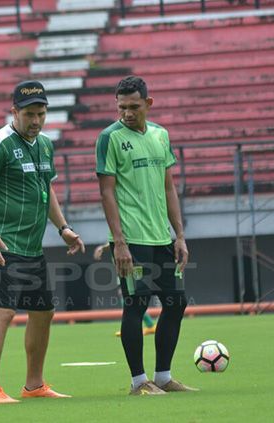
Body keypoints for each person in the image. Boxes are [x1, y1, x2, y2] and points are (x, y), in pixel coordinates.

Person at [0, 80, 85, 404]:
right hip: (3, 246)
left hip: (32, 248)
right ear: (14, 112)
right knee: (2, 314)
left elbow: (45, 190)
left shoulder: (46, 144)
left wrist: (63, 228)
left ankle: (34, 384)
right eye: (30, 114)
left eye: (41, 113)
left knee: (43, 312)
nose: (36, 121)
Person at [95, 75, 196, 395]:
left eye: (134, 107)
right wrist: (119, 243)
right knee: (136, 305)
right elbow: (106, 193)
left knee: (176, 302)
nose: (126, 113)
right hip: (131, 241)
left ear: (148, 104)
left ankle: (163, 377)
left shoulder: (161, 136)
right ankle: (139, 382)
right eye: (121, 107)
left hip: (162, 239)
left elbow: (169, 187)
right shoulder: (109, 138)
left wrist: (179, 235)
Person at [93, 242, 157, 337]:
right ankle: (146, 325)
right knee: (130, 300)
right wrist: (102, 247)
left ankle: (132, 328)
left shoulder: (124, 238)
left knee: (130, 300)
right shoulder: (116, 240)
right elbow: (114, 241)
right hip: (125, 272)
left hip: (130, 271)